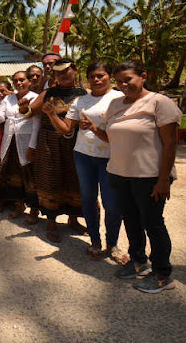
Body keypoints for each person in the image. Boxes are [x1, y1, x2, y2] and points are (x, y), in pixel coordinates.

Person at [82, 61, 181, 293]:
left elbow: (170, 144)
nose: (123, 84)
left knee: (153, 225)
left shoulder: (159, 102)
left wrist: (163, 179)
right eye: (119, 81)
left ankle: (162, 275)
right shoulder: (116, 104)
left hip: (149, 176)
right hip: (119, 174)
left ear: (143, 76)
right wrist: (94, 129)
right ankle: (139, 263)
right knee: (131, 221)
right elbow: (112, 138)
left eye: (128, 79)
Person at [45, 62, 125, 261]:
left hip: (110, 158)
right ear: (87, 79)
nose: (97, 80)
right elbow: (66, 129)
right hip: (83, 156)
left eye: (101, 75)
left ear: (110, 76)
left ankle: (113, 244)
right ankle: (95, 242)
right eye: (93, 76)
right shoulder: (80, 101)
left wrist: (95, 128)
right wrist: (51, 114)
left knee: (111, 203)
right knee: (88, 200)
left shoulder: (119, 99)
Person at [19, 58, 87, 242]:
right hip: (49, 142)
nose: (62, 75)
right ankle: (51, 222)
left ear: (75, 70)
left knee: (74, 179)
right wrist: (24, 106)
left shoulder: (84, 94)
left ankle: (73, 219)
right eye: (58, 72)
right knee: (50, 180)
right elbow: (29, 113)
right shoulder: (47, 93)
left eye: (65, 71)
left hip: (75, 142)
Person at [0, 71, 40, 221]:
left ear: (29, 81)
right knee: (14, 175)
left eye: (22, 80)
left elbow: (36, 123)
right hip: (9, 140)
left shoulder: (35, 98)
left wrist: (32, 145)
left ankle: (34, 211)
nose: (19, 83)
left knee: (30, 175)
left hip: (26, 140)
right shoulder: (8, 99)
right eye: (16, 81)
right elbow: (0, 118)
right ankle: (19, 205)